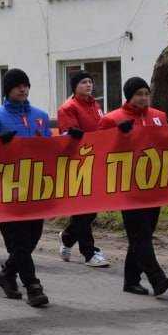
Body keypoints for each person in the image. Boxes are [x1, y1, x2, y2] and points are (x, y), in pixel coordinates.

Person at [100, 78, 168, 296]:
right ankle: (157, 279)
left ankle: (131, 280)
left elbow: (167, 146)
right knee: (141, 236)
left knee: (143, 235)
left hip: (153, 184)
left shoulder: (159, 116)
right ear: (129, 96)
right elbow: (101, 151)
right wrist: (118, 135)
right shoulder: (112, 119)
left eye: (146, 93)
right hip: (127, 187)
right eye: (138, 94)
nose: (143, 98)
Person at [0, 68, 51, 308]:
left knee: (32, 238)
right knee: (18, 241)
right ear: (8, 89)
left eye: (25, 85)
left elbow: (51, 147)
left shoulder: (40, 116)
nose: (23, 89)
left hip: (35, 186)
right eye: (18, 85)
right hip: (6, 187)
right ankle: (33, 286)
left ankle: (7, 274)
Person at [56, 70, 110, 267]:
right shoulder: (68, 108)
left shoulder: (96, 105)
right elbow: (68, 135)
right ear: (74, 87)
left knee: (92, 209)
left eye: (90, 81)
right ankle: (89, 253)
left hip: (97, 160)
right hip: (79, 163)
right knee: (85, 207)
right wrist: (73, 135)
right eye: (83, 82)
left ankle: (68, 236)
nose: (88, 85)